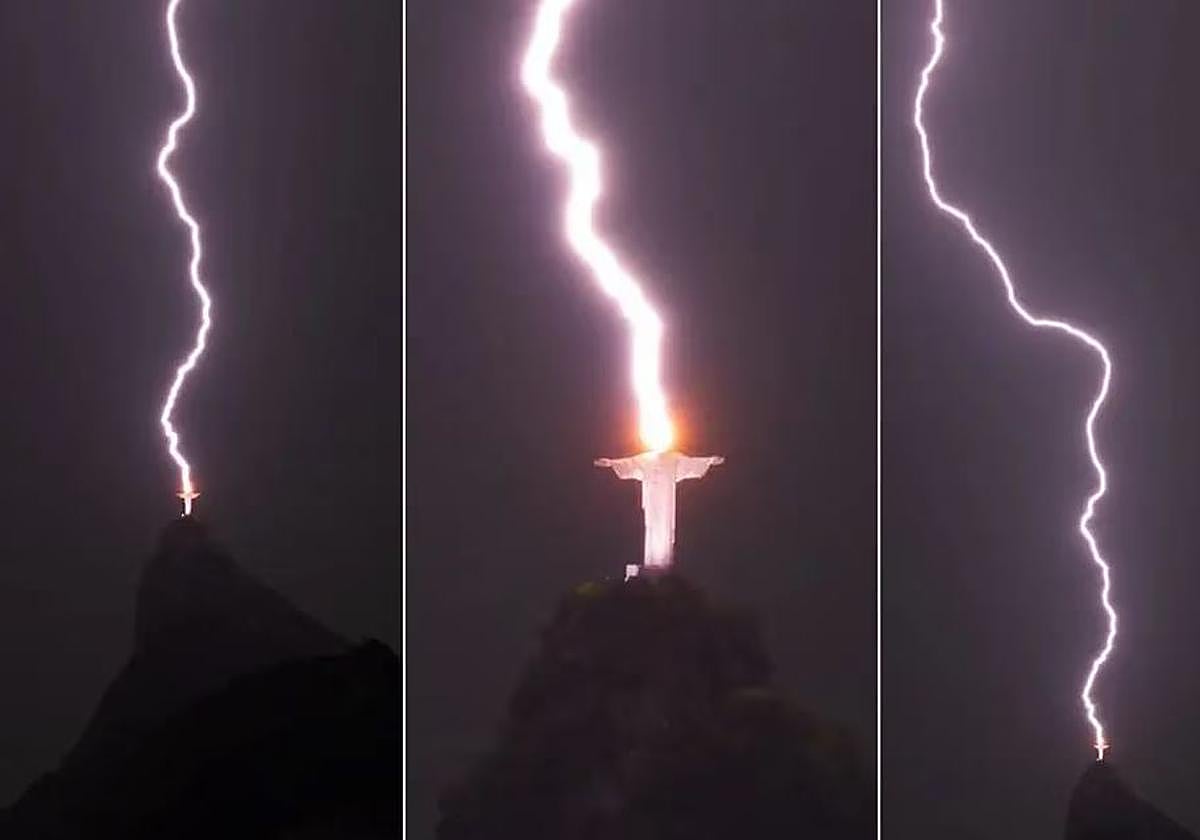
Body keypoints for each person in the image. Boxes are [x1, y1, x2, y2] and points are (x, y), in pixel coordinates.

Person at [595, 451, 724, 570]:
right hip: (652, 501)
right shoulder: (645, 458)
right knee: (651, 529)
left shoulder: (673, 458)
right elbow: (629, 464)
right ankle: (651, 561)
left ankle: (664, 562)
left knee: (664, 528)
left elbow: (691, 463)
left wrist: (710, 460)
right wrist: (610, 463)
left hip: (666, 501)